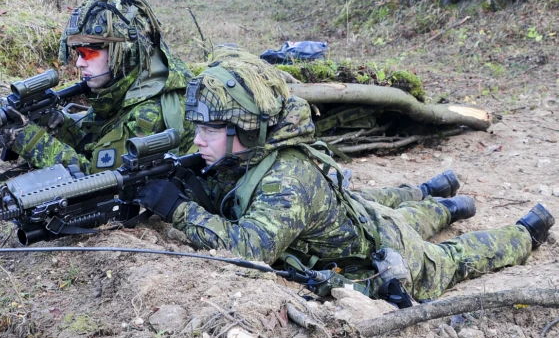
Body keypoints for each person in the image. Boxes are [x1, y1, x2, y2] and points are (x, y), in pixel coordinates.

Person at [137, 48, 555, 302]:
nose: (198, 141)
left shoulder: (286, 179)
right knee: (407, 215)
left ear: (247, 129)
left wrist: (178, 210)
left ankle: (524, 231)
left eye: (209, 130)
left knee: (452, 259)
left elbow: (249, 248)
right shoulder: (251, 156)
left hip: (381, 256)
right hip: (365, 219)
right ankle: (443, 203)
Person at [0, 0, 195, 174]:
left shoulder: (148, 113)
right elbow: (96, 141)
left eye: (88, 53)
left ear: (124, 52)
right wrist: (57, 124)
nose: (79, 63)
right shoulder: (125, 86)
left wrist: (31, 141)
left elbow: (96, 179)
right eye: (77, 53)